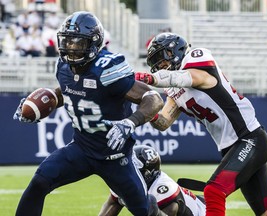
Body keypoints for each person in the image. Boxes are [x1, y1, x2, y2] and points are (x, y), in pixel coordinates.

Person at [13, 11, 166, 216]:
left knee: (144, 210)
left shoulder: (107, 69)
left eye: (78, 43)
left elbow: (153, 99)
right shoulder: (64, 67)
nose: (71, 48)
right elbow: (65, 93)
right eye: (67, 42)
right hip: (81, 150)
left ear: (94, 43)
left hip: (115, 156)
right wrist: (41, 104)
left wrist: (130, 122)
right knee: (39, 181)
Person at [135, 32, 267, 216]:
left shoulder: (196, 59)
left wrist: (149, 79)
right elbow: (163, 122)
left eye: (161, 58)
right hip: (232, 146)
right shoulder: (174, 88)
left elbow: (190, 78)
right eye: (156, 63)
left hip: (249, 137)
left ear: (175, 50)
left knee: (214, 191)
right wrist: (147, 109)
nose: (160, 65)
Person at [99, 145, 206, 216]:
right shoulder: (123, 181)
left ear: (147, 174)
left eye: (134, 170)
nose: (128, 174)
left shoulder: (163, 189)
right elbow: (113, 204)